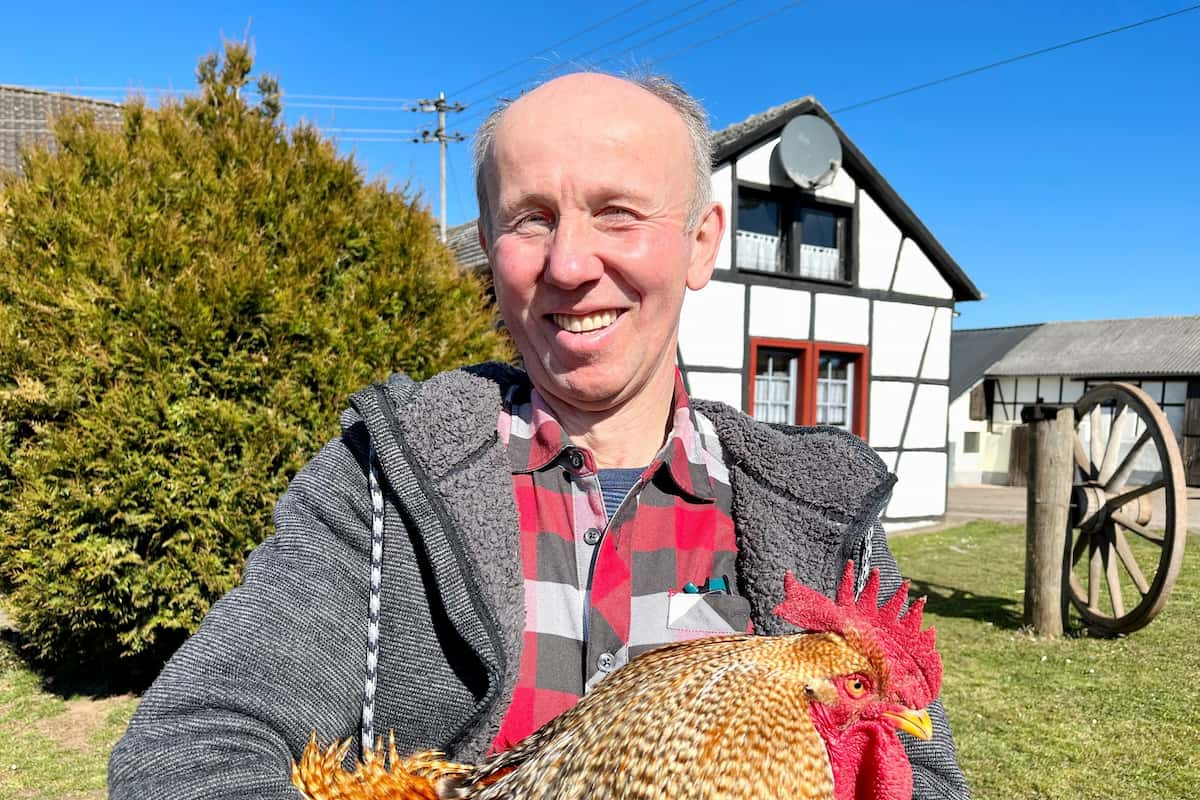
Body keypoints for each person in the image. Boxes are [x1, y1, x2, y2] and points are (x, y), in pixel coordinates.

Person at [109, 71, 969, 799]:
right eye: (530, 220)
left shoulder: (817, 506)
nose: (569, 264)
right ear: (488, 249)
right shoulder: (380, 479)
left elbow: (917, 769)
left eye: (619, 212)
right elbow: (191, 741)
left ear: (701, 244)